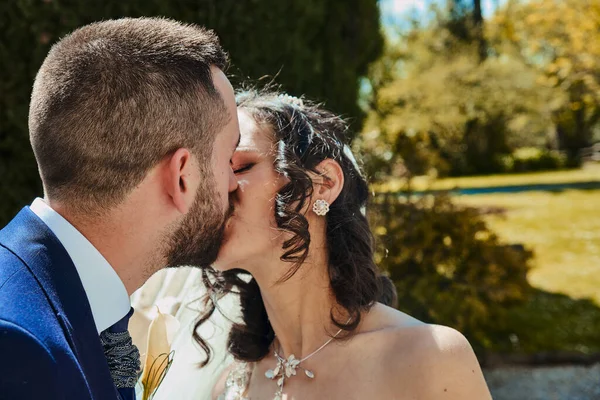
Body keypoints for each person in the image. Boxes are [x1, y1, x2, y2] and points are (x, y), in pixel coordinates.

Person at [195, 90, 493, 399]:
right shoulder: (233, 385)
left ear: (323, 184)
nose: (218, 189)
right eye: (211, 174)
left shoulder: (430, 357)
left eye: (240, 167)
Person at [0, 17, 240, 399]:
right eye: (229, 159)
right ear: (182, 176)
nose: (234, 183)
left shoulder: (79, 307)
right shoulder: (19, 346)